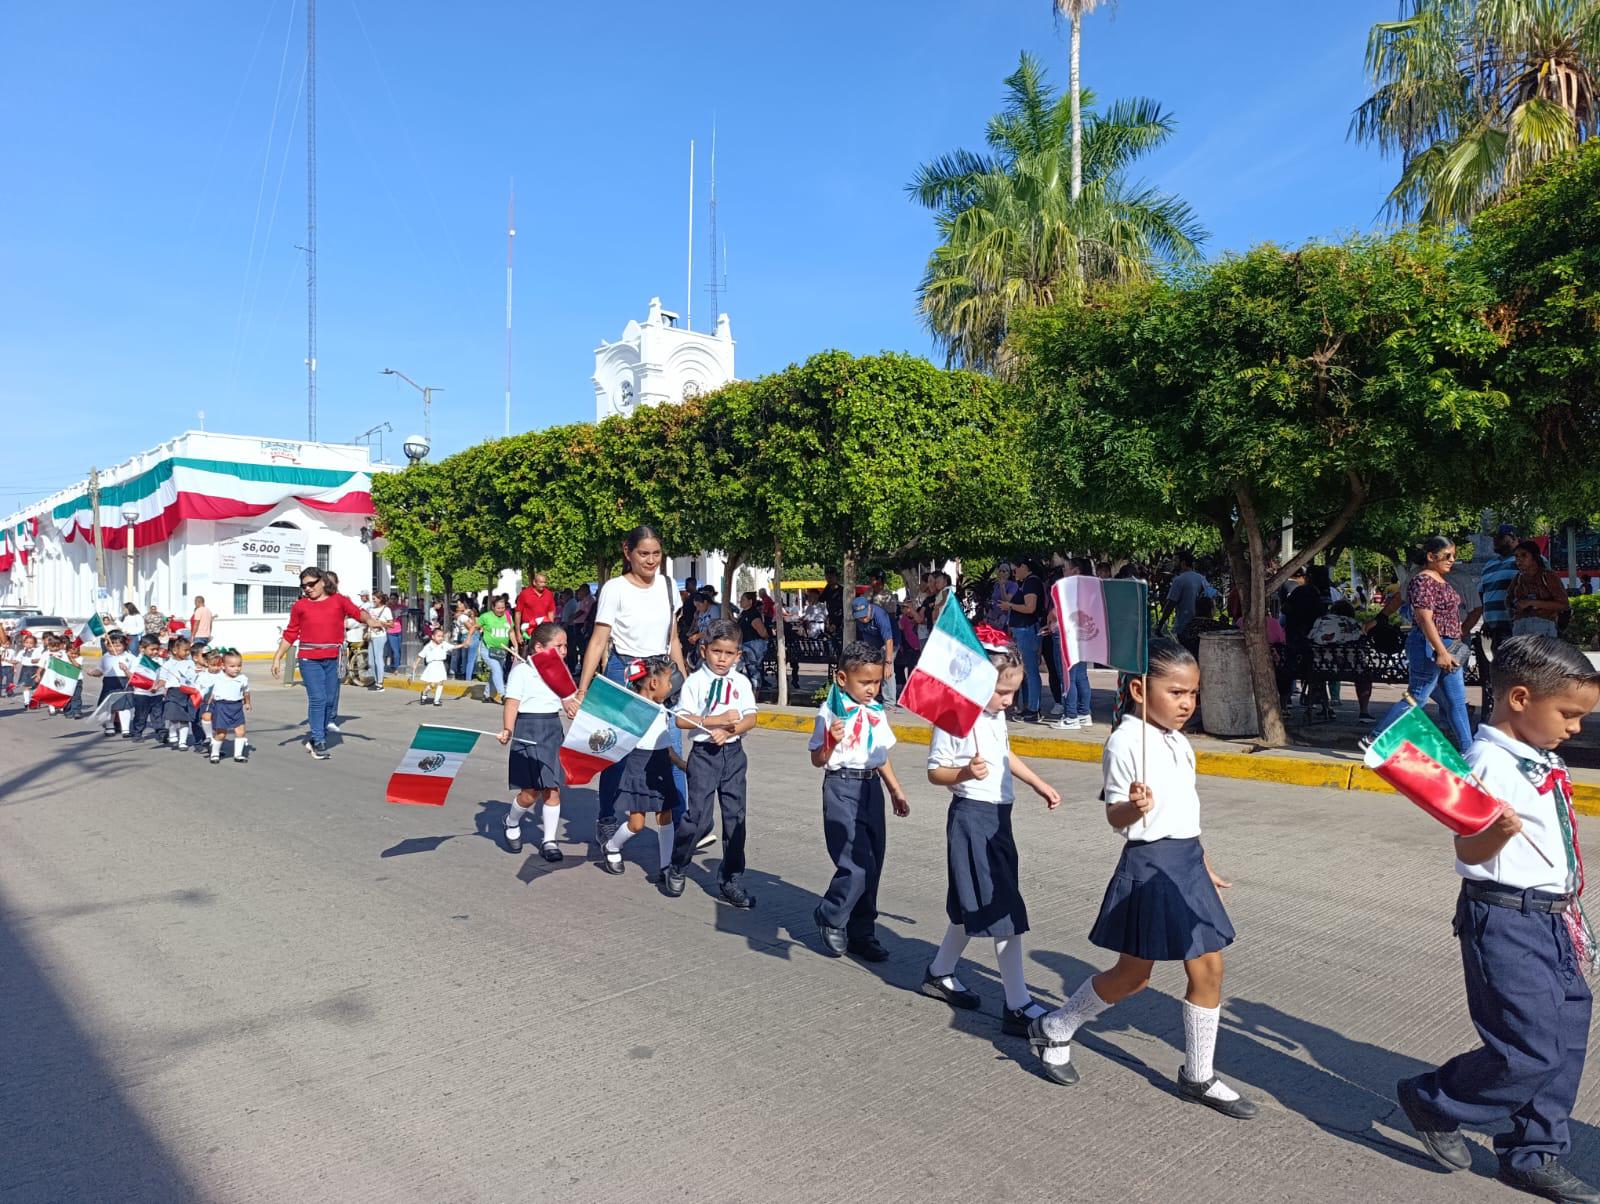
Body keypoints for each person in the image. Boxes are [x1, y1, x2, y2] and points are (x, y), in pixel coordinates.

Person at [1395, 637, 1600, 1201]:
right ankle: (1435, 1099)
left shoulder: (1537, 756)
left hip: (1552, 921)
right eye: (1568, 714)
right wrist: (1495, 832)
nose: (1576, 728)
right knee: (1530, 1046)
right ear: (1518, 698)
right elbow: (1469, 854)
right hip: (1506, 919)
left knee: (1566, 1036)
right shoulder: (1487, 761)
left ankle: (1533, 1153)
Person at [1029, 640, 1255, 1118]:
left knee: (1209, 967)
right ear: (1137, 688)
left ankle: (1198, 1074)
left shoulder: (1179, 742)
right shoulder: (1126, 741)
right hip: (1150, 866)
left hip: (1186, 864)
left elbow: (1186, 812)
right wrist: (1135, 804)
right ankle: (1056, 1024)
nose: (1187, 703)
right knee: (1134, 976)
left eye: (1192, 693)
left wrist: (1204, 862)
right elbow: (1117, 817)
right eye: (1175, 692)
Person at [920, 634, 1061, 1036]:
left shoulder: (994, 717)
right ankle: (1017, 1005)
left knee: (972, 903)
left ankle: (939, 971)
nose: (1008, 701)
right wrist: (965, 772)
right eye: (1002, 692)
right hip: (972, 819)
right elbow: (935, 772)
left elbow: (1004, 753)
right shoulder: (953, 717)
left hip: (1000, 817)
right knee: (1003, 909)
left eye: (1013, 692)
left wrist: (1037, 782)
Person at [576, 526, 690, 846]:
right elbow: (599, 640)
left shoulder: (668, 586)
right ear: (628, 552)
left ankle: (681, 821)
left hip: (661, 673)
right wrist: (583, 690)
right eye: (643, 554)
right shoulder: (615, 589)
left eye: (656, 554)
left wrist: (685, 682)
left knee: (672, 749)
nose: (651, 560)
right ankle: (607, 817)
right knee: (618, 751)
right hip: (624, 671)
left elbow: (673, 640)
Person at [808, 642, 912, 962]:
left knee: (874, 861)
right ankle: (831, 913)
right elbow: (817, 759)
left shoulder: (876, 712)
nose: (871, 689)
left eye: (877, 682)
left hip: (871, 788)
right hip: (841, 786)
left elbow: (879, 756)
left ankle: (862, 932)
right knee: (855, 862)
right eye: (864, 683)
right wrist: (830, 741)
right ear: (842, 678)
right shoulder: (830, 713)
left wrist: (895, 790)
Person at [662, 619, 759, 907]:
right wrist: (715, 722)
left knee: (735, 818)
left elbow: (751, 718)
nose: (722, 659)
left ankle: (730, 879)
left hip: (733, 755)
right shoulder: (696, 682)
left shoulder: (740, 682)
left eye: (729, 654)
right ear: (705, 650)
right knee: (699, 818)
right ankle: (678, 864)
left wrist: (732, 730)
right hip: (704, 755)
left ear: (738, 655)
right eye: (717, 651)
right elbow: (680, 719)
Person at [1373, 537, 1474, 755]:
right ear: (1431, 556)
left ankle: (1469, 750)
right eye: (1447, 556)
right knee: (1417, 695)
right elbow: (1424, 619)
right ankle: (1376, 737)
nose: (1452, 560)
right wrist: (1441, 651)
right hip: (1431, 644)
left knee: (1456, 701)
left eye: (1454, 556)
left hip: (1448, 643)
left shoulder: (1439, 579)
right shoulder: (1423, 581)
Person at [270, 568, 375, 760]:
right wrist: (278, 657)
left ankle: (317, 735)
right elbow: (291, 633)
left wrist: (370, 620)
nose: (308, 589)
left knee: (329, 700)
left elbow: (357, 612)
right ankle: (318, 740)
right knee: (318, 698)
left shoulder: (339, 601)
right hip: (309, 658)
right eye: (304, 586)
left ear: (323, 581)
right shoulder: (300, 606)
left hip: (334, 657)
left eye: (311, 584)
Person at [598, 655, 686, 877]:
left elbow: (665, 745)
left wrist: (680, 763)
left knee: (664, 815)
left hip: (661, 767)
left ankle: (666, 865)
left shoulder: (662, 709)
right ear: (654, 683)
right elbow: (615, 739)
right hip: (639, 768)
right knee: (636, 823)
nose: (671, 687)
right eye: (669, 682)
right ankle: (612, 846)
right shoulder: (633, 708)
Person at [499, 622, 576, 863]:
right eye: (558, 646)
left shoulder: (561, 671)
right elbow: (512, 703)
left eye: (565, 646)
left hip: (552, 729)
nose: (563, 651)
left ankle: (549, 840)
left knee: (552, 789)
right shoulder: (522, 671)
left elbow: (566, 699)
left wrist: (571, 706)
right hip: (527, 729)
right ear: (539, 647)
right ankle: (511, 820)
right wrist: (508, 729)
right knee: (530, 793)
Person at [999, 558, 1045, 722]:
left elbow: (1030, 607)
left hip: (1027, 630)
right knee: (1027, 671)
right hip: (1022, 630)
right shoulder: (1027, 582)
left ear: (1024, 567)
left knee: (1031, 671)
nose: (1014, 572)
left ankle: (1034, 709)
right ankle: (1031, 707)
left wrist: (1010, 606)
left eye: (1015, 569)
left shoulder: (1031, 583)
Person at [1509, 540, 1571, 639]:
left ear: (1534, 557)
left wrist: (1532, 603)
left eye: (1524, 555)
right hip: (1520, 626)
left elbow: (1564, 605)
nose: (1519, 559)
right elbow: (1508, 601)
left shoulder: (1548, 576)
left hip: (1544, 626)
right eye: (1516, 556)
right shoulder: (1518, 578)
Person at [205, 650, 252, 763]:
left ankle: (238, 755)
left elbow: (246, 691)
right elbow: (209, 691)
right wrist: (207, 706)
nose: (236, 668)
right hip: (222, 707)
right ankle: (215, 754)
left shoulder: (243, 679)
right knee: (221, 734)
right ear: (223, 666)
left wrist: (247, 702)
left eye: (239, 665)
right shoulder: (218, 678)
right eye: (232, 666)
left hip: (236, 707)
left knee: (241, 731)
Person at [850, 592, 897, 704]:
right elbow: (864, 636)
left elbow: (889, 640)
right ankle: (868, 697)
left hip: (889, 642)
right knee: (869, 668)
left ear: (869, 608)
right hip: (873, 643)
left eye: (864, 615)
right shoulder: (859, 618)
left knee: (886, 669)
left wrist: (889, 662)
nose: (863, 619)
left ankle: (889, 702)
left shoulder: (880, 615)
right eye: (860, 616)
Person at [158, 636, 199, 751]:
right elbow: (163, 680)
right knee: (173, 717)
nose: (187, 653)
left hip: (186, 693)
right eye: (185, 650)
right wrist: (156, 687)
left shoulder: (190, 663)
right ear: (175, 651)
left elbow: (195, 677)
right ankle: (172, 734)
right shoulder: (167, 665)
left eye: (188, 650)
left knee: (184, 719)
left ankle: (183, 742)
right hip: (173, 692)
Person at [1159, 551, 1210, 638]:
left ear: (1183, 562)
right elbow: (1211, 600)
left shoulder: (1179, 580)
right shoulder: (1202, 579)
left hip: (1183, 627)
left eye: (1175, 561)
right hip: (1201, 627)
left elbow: (1170, 604)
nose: (1173, 563)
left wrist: (1160, 625)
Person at [125, 635, 163, 741]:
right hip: (142, 693)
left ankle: (161, 732)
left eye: (157, 649)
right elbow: (133, 677)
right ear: (142, 649)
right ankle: (137, 732)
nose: (155, 652)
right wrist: (125, 670)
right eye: (152, 649)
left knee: (158, 713)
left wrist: (159, 686)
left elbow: (163, 676)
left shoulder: (159, 661)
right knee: (141, 714)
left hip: (157, 692)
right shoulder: (138, 661)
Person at [476, 597, 513, 703]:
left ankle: (487, 695)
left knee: (496, 672)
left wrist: (515, 646)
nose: (501, 610)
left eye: (503, 608)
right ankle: (503, 695)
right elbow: (475, 627)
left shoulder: (508, 617)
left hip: (501, 651)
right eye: (498, 608)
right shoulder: (485, 617)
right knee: (497, 669)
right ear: (493, 607)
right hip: (487, 649)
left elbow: (511, 632)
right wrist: (469, 638)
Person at [413, 626, 459, 706]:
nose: (441, 638)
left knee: (441, 682)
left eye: (442, 636)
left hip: (440, 664)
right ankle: (424, 693)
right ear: (433, 637)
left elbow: (453, 646)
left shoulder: (444, 644)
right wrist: (415, 664)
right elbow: (420, 655)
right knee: (433, 684)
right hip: (432, 665)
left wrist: (464, 644)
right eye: (439, 636)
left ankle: (436, 700)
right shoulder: (428, 646)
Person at [736, 590, 771, 693]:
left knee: (753, 669)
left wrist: (766, 637)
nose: (740, 601)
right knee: (740, 668)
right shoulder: (743, 613)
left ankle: (756, 691)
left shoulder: (753, 614)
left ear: (750, 601)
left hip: (753, 645)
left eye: (743, 600)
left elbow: (762, 632)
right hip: (744, 644)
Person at [515, 571, 558, 635]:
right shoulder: (524, 594)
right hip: (528, 629)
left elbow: (551, 612)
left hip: (544, 629)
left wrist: (550, 629)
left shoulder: (549, 594)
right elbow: (518, 613)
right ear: (534, 582)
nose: (543, 584)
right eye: (541, 582)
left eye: (544, 582)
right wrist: (518, 633)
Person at [367, 592, 393, 691]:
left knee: (378, 659)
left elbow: (391, 624)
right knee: (371, 661)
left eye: (375, 599)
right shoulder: (371, 609)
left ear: (380, 599)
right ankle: (376, 680)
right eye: (372, 598)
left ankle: (380, 683)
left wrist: (381, 623)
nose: (373, 600)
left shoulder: (386, 610)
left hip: (380, 636)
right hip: (371, 635)